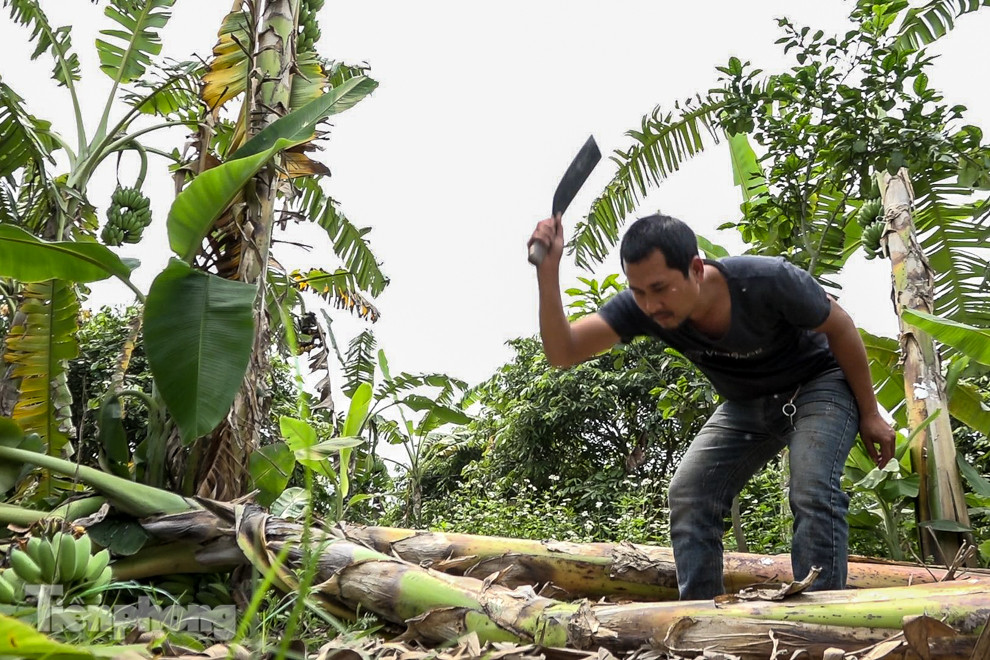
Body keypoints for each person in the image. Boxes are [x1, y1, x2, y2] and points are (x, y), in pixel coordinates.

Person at [528, 212, 896, 600]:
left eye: (660, 288)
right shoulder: (644, 309)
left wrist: (870, 413)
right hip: (747, 402)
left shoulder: (767, 280)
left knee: (812, 487)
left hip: (819, 383)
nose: (651, 305)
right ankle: (703, 618)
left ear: (696, 269)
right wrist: (547, 272)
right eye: (638, 292)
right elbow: (563, 351)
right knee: (690, 492)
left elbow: (841, 326)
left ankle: (823, 618)